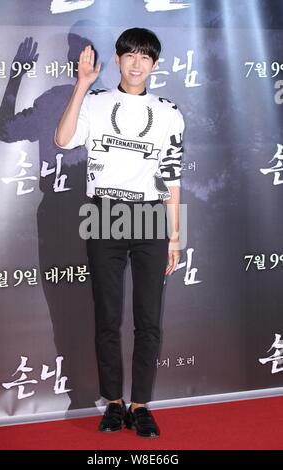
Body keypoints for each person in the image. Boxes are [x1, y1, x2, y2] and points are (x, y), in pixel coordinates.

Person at [55, 27, 185, 438]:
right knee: (107, 316)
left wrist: (175, 237)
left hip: (150, 217)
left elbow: (171, 176)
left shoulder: (169, 112)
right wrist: (81, 85)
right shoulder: (95, 102)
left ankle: (140, 404)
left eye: (145, 57)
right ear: (117, 58)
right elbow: (62, 140)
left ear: (155, 65)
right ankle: (112, 401)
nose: (136, 63)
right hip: (103, 211)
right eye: (129, 55)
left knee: (148, 320)